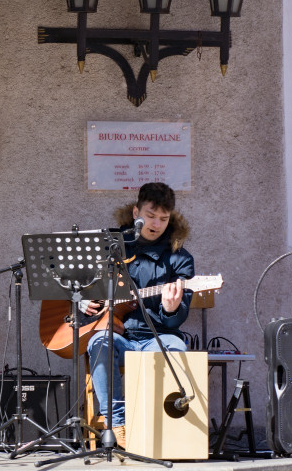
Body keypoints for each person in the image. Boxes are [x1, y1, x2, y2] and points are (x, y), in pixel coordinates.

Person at [83, 182, 194, 449]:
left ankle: (162, 425)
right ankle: (116, 422)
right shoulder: (109, 245)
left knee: (177, 347)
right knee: (97, 344)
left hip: (157, 337)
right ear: (136, 213)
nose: (156, 223)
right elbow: (77, 281)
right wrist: (83, 300)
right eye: (151, 215)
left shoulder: (180, 258)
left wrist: (170, 309)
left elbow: (177, 320)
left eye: (164, 218)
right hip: (118, 335)